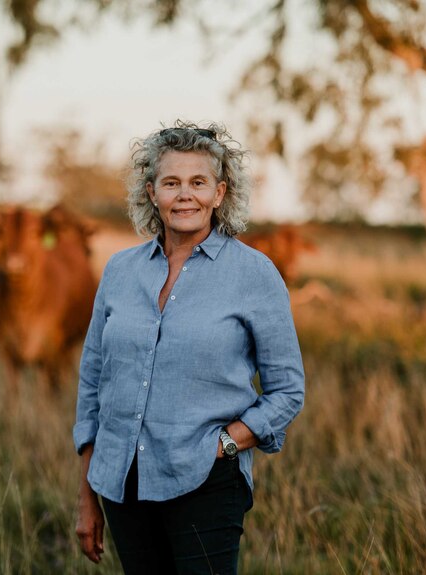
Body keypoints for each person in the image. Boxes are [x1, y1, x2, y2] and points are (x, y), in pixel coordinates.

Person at [73, 122, 305, 574]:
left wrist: (224, 445)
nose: (185, 195)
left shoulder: (254, 275)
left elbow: (288, 391)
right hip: (122, 485)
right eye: (171, 182)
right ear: (151, 192)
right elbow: (93, 384)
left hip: (206, 481)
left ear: (219, 194)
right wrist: (86, 498)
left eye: (198, 183)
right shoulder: (120, 272)